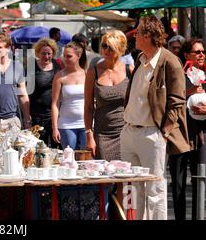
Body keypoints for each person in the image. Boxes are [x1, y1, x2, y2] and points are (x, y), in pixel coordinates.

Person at [121, 15, 190, 220]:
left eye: (138, 32)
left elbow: (177, 101)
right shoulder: (139, 59)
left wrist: (163, 132)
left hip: (152, 134)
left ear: (149, 35)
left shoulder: (169, 61)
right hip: (129, 131)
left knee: (155, 189)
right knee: (130, 188)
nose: (134, 36)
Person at [168, 38, 206, 220]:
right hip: (180, 134)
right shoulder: (178, 75)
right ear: (186, 55)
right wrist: (189, 93)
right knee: (178, 183)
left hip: (201, 136)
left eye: (203, 52)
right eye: (197, 52)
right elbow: (168, 100)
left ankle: (198, 216)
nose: (201, 55)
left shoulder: (205, 76)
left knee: (201, 179)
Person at [84, 30, 133, 161]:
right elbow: (88, 106)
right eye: (104, 46)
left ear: (120, 48)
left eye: (110, 47)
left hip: (126, 132)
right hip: (102, 133)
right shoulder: (93, 71)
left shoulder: (130, 70)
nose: (106, 50)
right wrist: (89, 135)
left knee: (124, 177)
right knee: (104, 177)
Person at [51, 41, 87, 149]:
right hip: (66, 124)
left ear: (78, 56)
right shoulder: (60, 75)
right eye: (64, 56)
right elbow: (55, 104)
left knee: (86, 160)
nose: (65, 59)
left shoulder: (87, 74)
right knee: (69, 159)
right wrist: (55, 128)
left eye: (69, 56)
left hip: (86, 124)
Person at [29, 38, 63, 148]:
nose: (46, 56)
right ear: (38, 53)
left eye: (49, 53)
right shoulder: (31, 67)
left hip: (55, 113)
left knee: (56, 145)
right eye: (43, 53)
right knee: (39, 146)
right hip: (36, 113)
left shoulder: (58, 66)